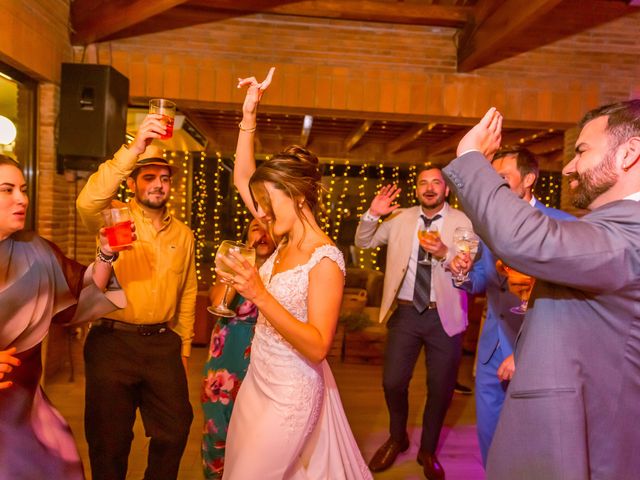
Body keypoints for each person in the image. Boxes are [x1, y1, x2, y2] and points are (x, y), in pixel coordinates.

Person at [443, 100, 640, 480]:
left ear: (629, 154)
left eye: (581, 151)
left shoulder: (631, 233)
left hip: (592, 445)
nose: (569, 166)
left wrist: (471, 158)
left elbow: (525, 238)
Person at [216, 68, 371, 479]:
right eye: (260, 202)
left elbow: (318, 347)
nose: (261, 212)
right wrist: (249, 115)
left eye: (269, 202)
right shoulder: (282, 237)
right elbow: (242, 177)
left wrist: (258, 293)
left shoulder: (325, 260)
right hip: (256, 382)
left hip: (291, 394)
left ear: (299, 195)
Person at [76, 116, 197, 480]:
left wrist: (186, 346)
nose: (158, 185)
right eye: (149, 177)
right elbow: (87, 200)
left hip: (162, 344)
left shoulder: (184, 234)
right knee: (109, 441)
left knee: (175, 429)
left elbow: (188, 291)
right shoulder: (114, 218)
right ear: (131, 183)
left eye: (164, 178)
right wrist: (135, 150)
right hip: (112, 341)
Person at [0, 154, 125, 479]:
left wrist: (106, 254)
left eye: (23, 189)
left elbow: (80, 299)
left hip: (24, 409)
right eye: (7, 189)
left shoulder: (34, 250)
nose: (21, 199)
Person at [449, 146, 574, 466]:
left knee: (537, 439)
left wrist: (524, 354)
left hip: (544, 351)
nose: (495, 185)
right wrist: (462, 275)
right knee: (490, 434)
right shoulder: (488, 226)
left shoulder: (564, 226)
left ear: (529, 179)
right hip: (493, 348)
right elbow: (481, 281)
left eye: (503, 178)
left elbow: (571, 302)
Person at [355, 167, 474, 480]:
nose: (430, 188)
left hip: (444, 316)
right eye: (423, 183)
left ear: (446, 190)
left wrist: (444, 252)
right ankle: (398, 438)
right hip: (406, 313)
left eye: (436, 182)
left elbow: (465, 273)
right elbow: (363, 243)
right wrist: (371, 213)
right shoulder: (400, 218)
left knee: (441, 388)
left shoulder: (463, 223)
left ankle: (428, 450)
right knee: (393, 382)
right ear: (417, 190)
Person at [201, 217, 276, 478]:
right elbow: (215, 300)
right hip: (226, 356)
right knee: (217, 429)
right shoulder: (235, 264)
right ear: (247, 235)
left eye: (269, 228)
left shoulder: (282, 270)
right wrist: (241, 263)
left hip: (266, 359)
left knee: (254, 436)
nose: (263, 234)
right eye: (256, 228)